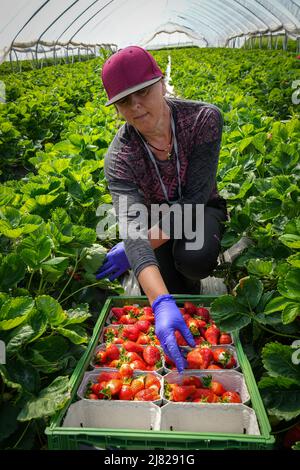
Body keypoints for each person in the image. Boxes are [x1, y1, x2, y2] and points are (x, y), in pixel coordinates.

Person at [96, 46, 228, 372]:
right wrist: (161, 300)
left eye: (142, 91)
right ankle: (177, 293)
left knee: (193, 259)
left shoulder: (202, 119)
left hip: (201, 210)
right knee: (160, 287)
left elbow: (196, 198)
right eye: (124, 101)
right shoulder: (120, 157)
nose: (136, 105)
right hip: (152, 220)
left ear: (162, 82)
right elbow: (132, 223)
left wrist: (137, 249)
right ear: (116, 109)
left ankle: (187, 275)